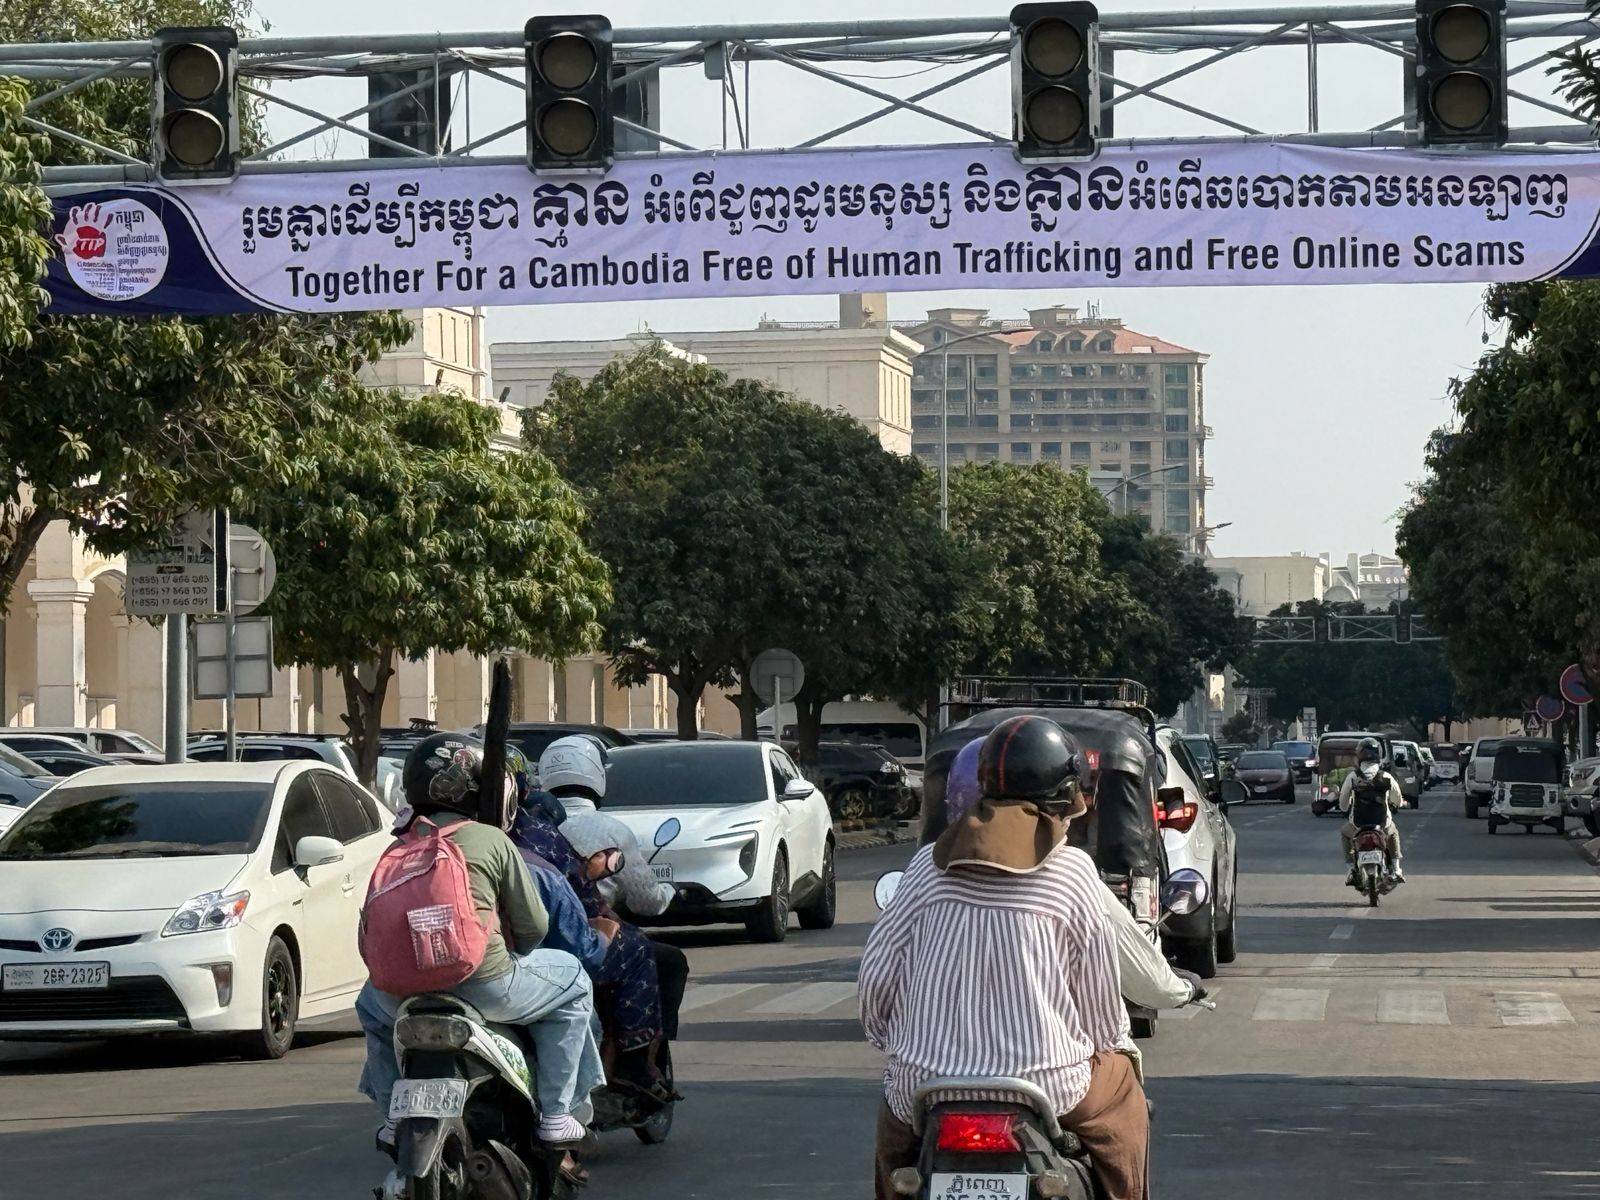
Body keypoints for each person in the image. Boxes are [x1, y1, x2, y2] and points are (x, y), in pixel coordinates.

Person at [861, 716, 1150, 1200]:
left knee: (893, 1155)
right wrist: (1113, 1047)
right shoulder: (1074, 874)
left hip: (925, 1087)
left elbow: (875, 981)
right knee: (1126, 1102)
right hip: (1048, 1087)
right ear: (1060, 802)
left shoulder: (925, 869)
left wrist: (899, 1046)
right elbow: (1102, 1017)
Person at [355, 733, 604, 1156]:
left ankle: (392, 1115)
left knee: (368, 1007)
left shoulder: (399, 846)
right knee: (575, 983)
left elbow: (368, 934)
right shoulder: (492, 840)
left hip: (400, 994)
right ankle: (558, 1115)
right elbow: (534, 927)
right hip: (486, 985)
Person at [944, 735, 1204, 1013]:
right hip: (1041, 1055)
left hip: (929, 1055)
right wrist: (1185, 988)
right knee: (1117, 1054)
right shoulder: (1070, 870)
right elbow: (1152, 985)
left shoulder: (925, 869)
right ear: (1059, 800)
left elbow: (889, 977)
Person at [510, 737, 684, 1100]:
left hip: (495, 950)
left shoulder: (452, 836)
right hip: (550, 944)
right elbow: (638, 899)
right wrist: (669, 895)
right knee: (642, 951)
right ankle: (636, 1064)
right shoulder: (551, 831)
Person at [1339, 736, 1405, 884]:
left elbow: (1343, 801)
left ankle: (1350, 869)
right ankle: (1396, 868)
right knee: (1393, 833)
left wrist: (1345, 808)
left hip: (1357, 826)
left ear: (1360, 755)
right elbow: (1398, 799)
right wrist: (1396, 805)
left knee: (1344, 833)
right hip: (1382, 825)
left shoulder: (1352, 777)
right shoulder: (1386, 776)